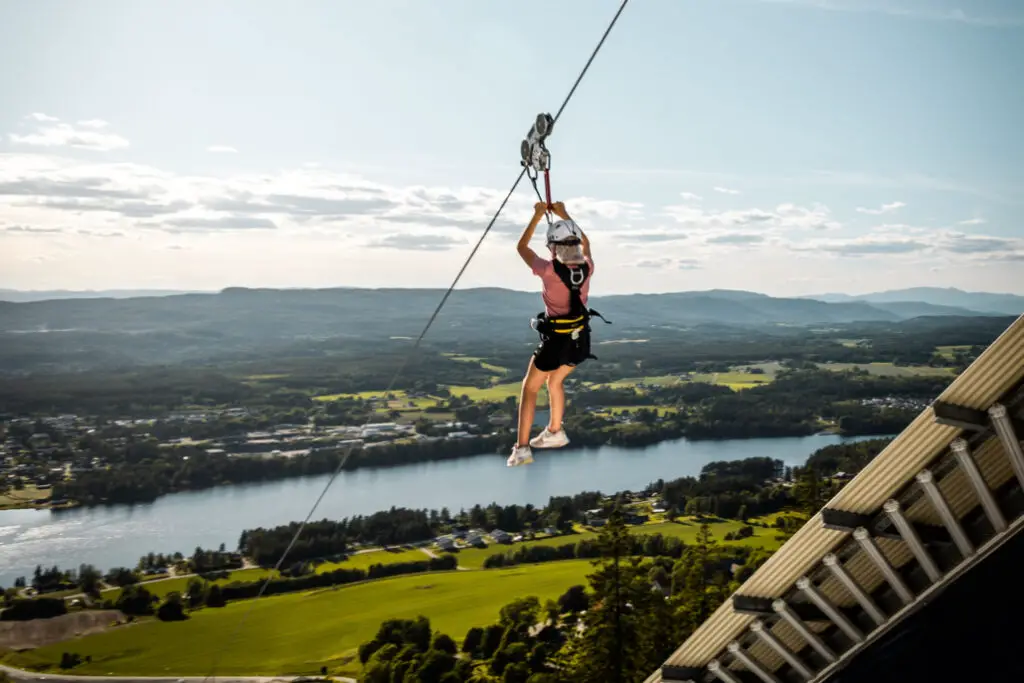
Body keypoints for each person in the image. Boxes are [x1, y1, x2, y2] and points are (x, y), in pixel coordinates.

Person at [508, 200, 595, 467]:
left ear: (553, 247)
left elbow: (521, 248)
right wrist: (563, 215)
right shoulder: (587, 267)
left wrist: (536, 216)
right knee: (555, 382)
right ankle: (555, 431)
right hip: (579, 340)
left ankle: (522, 448)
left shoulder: (548, 270)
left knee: (529, 387)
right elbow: (587, 243)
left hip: (556, 340)